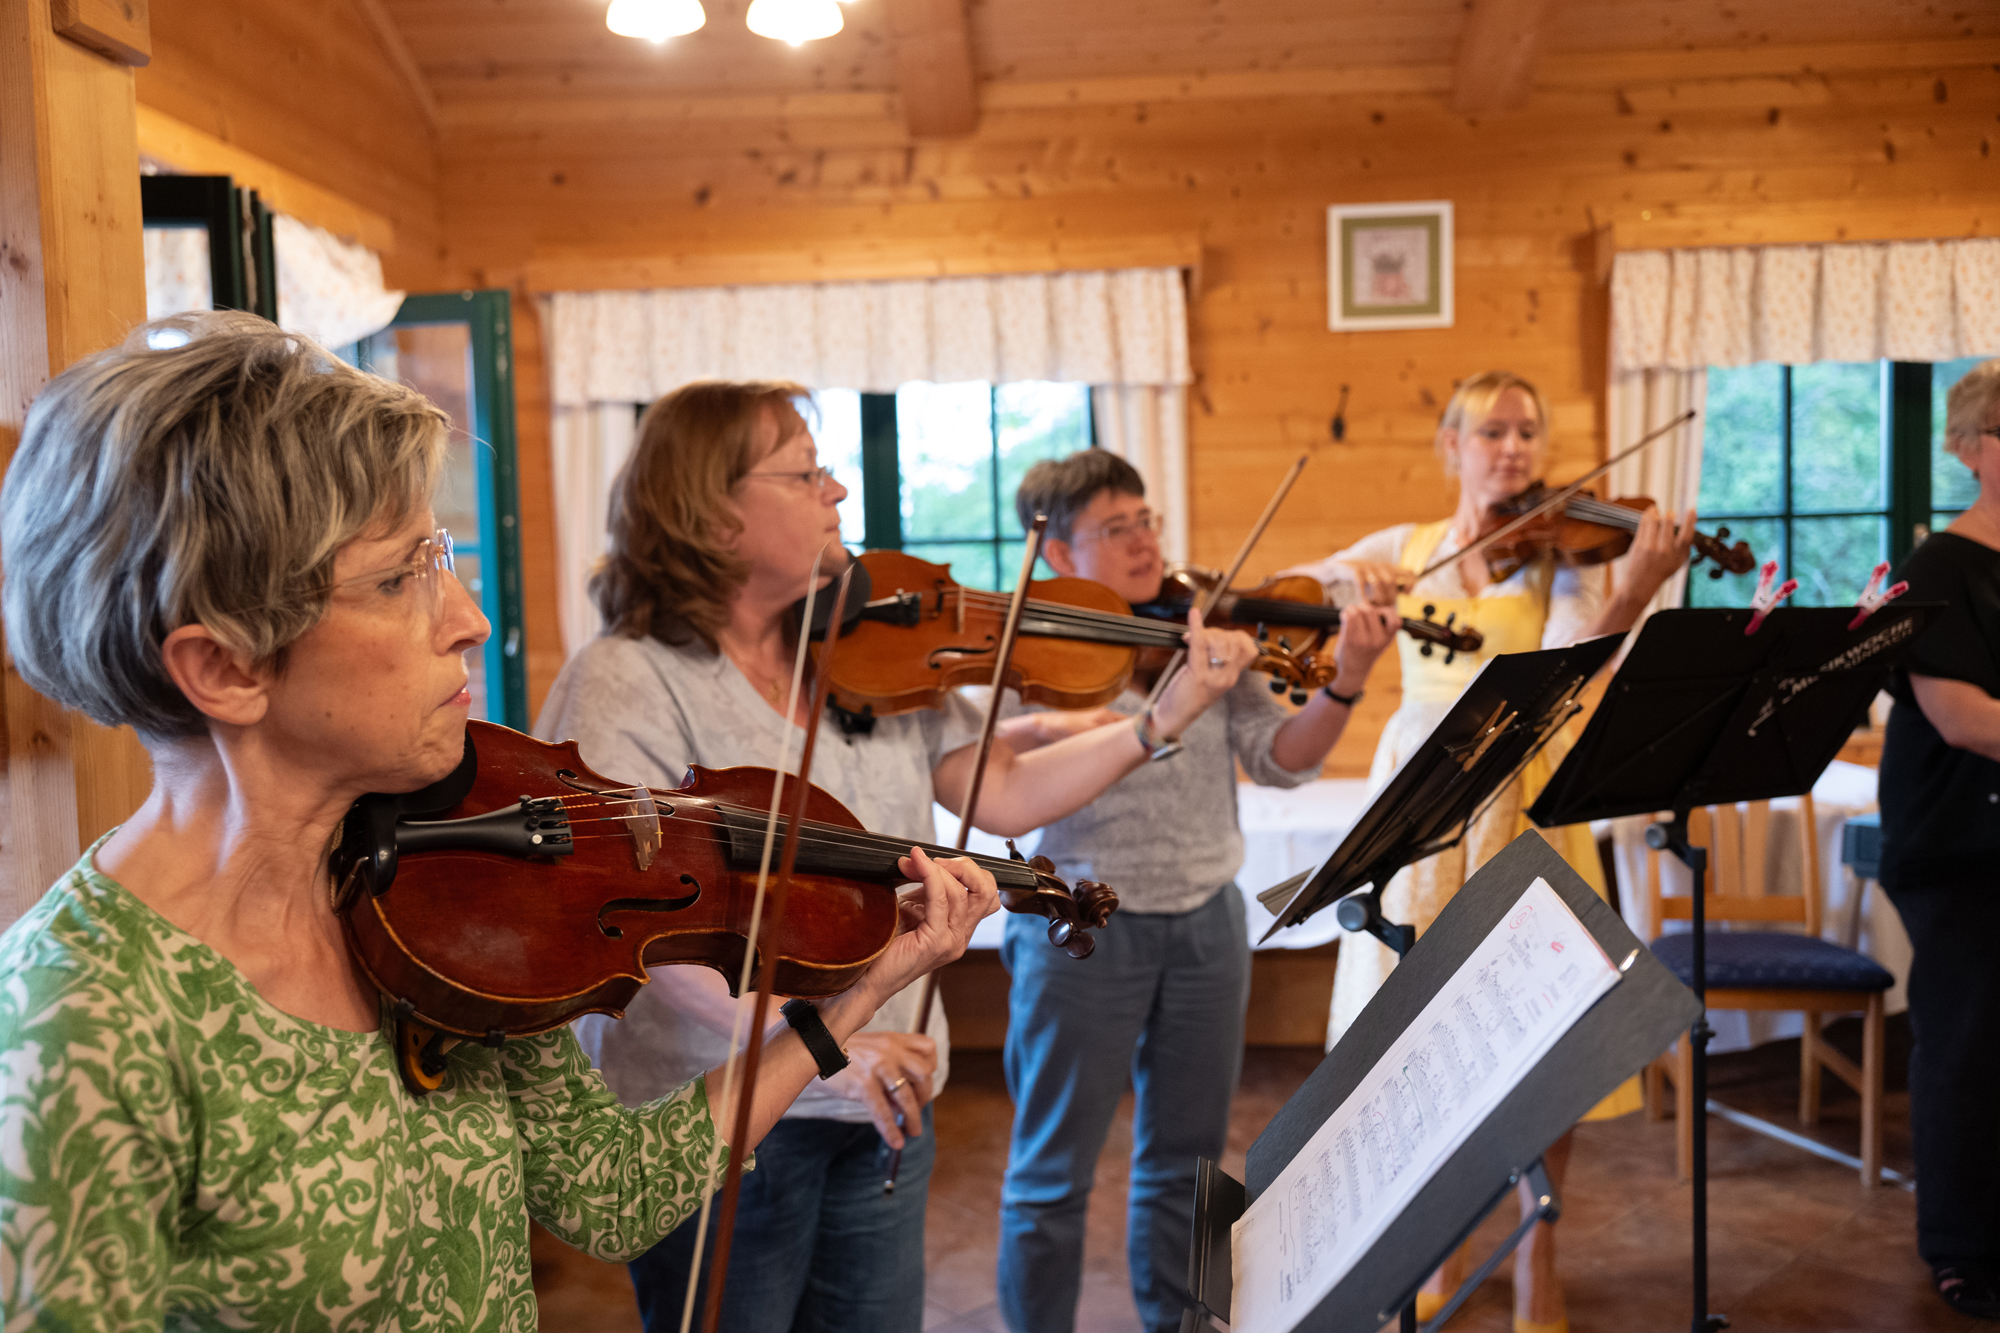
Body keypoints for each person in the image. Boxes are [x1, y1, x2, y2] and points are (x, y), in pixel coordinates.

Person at [0, 314, 999, 1330]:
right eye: (400, 577)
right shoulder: (77, 1027)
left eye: (437, 556)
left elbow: (609, 1193)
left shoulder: (443, 893)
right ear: (225, 667)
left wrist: (853, 992)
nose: (469, 616)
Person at [536, 382, 1255, 1333]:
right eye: (805, 470)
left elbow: (999, 787)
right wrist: (829, 1042)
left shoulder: (860, 653)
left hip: (883, 1091)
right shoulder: (631, 677)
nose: (837, 490)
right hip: (722, 1114)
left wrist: (1160, 719)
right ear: (712, 514)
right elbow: (647, 927)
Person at [1288, 370, 1694, 1333]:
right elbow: (1303, 590)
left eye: (1527, 432)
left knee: (1539, 1042)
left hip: (1531, 801)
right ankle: (1435, 1242)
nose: (1512, 449)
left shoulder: (1569, 560)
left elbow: (1564, 678)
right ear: (1452, 446)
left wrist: (1632, 591)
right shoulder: (1408, 548)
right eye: (1492, 431)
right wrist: (1355, 592)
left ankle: (1537, 1261)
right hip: (1421, 810)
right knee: (1420, 1048)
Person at [987, 451, 1398, 1333]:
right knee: (1051, 1172)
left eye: (1146, 519)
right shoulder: (1027, 641)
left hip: (1208, 919)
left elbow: (1282, 760)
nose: (1142, 541)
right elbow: (992, 767)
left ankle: (1184, 1323)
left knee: (1195, 1164)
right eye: (1113, 528)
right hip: (1077, 928)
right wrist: (1084, 718)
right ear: (1057, 552)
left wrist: (1348, 680)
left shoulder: (1200, 623)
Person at [1877, 359, 2000, 1321]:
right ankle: (1962, 1246)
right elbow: (1964, 718)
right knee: (1967, 1040)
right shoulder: (1936, 569)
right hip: (1958, 840)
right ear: (1972, 451)